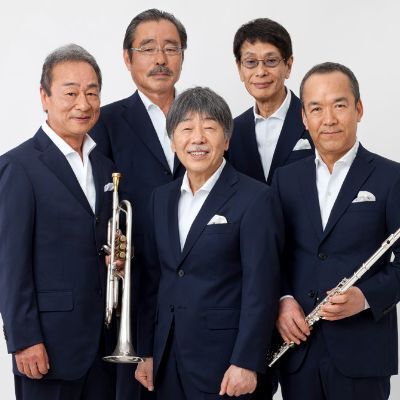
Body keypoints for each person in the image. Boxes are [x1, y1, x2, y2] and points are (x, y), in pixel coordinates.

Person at [134, 87, 283, 399]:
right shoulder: (159, 199)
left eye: (210, 128)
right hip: (167, 358)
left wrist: (246, 362)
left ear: (226, 140)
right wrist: (146, 351)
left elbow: (261, 287)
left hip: (225, 363)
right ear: (173, 141)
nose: (198, 139)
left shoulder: (256, 198)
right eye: (186, 129)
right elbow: (151, 280)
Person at [273, 62, 400, 400]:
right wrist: (283, 301)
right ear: (304, 117)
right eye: (316, 108)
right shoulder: (285, 179)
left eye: (339, 105)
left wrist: (365, 297)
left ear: (358, 109)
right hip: (299, 348)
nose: (328, 119)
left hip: (363, 351)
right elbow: (271, 255)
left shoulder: (392, 177)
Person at [0, 44, 116, 400]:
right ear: (44, 96)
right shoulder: (18, 166)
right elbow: (9, 262)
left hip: (103, 345)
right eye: (70, 93)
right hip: (47, 345)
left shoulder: (104, 166)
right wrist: (24, 339)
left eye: (92, 92)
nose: (83, 103)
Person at [89, 11, 187, 397]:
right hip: (132, 292)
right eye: (147, 49)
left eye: (171, 48)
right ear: (127, 58)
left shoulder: (204, 116)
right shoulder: (104, 122)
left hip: (195, 290)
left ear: (182, 56)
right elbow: (96, 205)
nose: (160, 58)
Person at [228, 18, 314, 185]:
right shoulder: (232, 131)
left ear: (288, 66)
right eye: (251, 62)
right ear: (240, 69)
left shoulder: (315, 119)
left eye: (271, 61)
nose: (261, 72)